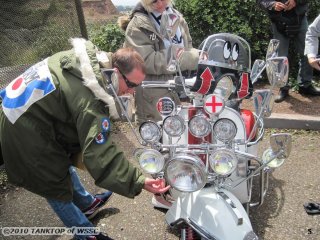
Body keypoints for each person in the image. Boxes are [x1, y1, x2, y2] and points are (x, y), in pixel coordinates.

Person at [0, 38, 170, 240]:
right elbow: (99, 153)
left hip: (21, 113)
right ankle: (85, 233)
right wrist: (139, 180)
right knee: (52, 182)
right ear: (116, 73)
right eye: (132, 84)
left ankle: (87, 204)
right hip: (22, 131)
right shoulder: (90, 101)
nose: (132, 91)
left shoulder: (89, 61)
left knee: (60, 160)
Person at [118, 0, 199, 124]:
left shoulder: (177, 16)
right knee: (158, 136)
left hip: (178, 88)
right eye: (154, 2)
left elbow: (187, 45)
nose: (160, 4)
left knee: (180, 133)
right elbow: (145, 61)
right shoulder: (138, 26)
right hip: (154, 95)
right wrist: (189, 58)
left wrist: (198, 55)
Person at [257, 0, 320, 103]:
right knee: (281, 57)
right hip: (278, 20)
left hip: (299, 18)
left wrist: (296, 1)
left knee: (308, 52)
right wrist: (272, 4)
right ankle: (283, 88)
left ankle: (305, 86)